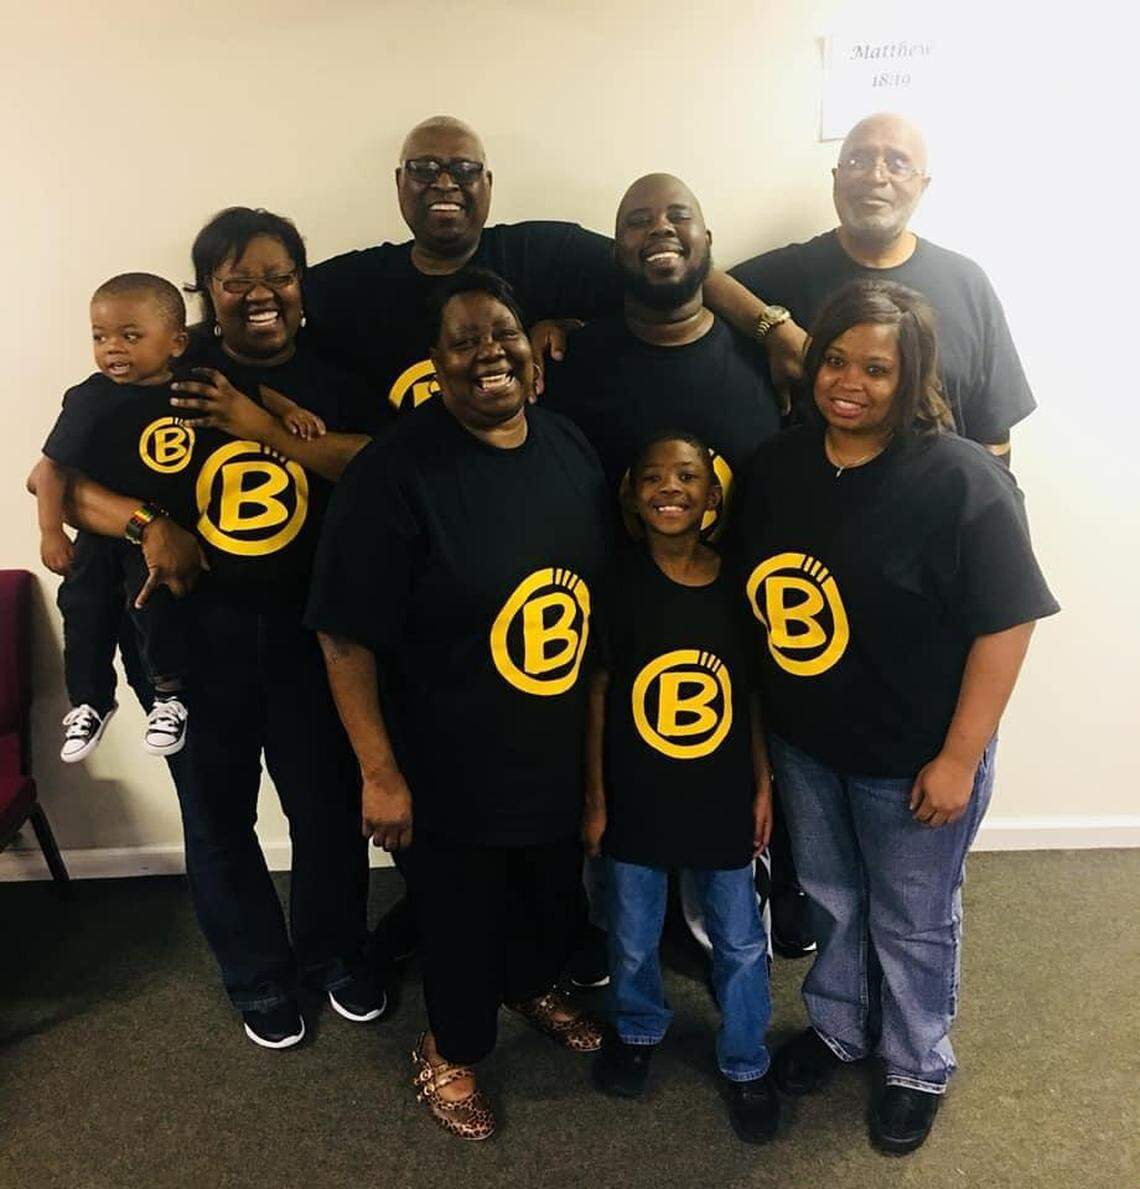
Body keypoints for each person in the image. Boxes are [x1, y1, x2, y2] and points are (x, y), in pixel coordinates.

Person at [37, 208, 383, 1050]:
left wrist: (267, 431)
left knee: (326, 810)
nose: (260, 294)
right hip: (190, 649)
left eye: (279, 275)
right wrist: (149, 522)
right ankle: (259, 976)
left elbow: (380, 468)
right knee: (217, 817)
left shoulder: (336, 376)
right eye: (236, 280)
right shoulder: (159, 368)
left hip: (313, 642)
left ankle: (336, 953)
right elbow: (56, 481)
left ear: (303, 284)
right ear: (205, 296)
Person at [731, 279, 1058, 1154]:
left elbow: (1006, 624)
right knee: (836, 899)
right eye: (836, 358)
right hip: (809, 744)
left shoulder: (963, 479)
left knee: (913, 915)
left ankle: (917, 1060)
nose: (851, 381)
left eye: (879, 368)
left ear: (912, 377)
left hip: (915, 755)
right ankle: (841, 1026)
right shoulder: (778, 467)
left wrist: (959, 758)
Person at [305, 270, 608, 1141]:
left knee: (549, 896)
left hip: (549, 745)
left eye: (502, 332)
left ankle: (528, 983)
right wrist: (379, 771)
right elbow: (343, 637)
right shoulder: (395, 472)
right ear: (434, 366)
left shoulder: (569, 448)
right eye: (463, 339)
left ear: (531, 351)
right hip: (445, 758)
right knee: (461, 918)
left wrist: (593, 773)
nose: (489, 352)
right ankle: (450, 1045)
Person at [544, 172, 782, 981]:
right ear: (616, 251)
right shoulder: (577, 360)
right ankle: (623, 943)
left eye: (679, 216)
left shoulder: (761, 356)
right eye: (638, 221)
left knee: (722, 807)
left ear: (710, 246)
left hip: (734, 625)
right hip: (620, 625)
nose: (660, 230)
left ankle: (720, 922)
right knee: (622, 815)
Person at [303, 116, 802, 419]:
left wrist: (774, 329)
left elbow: (663, 261)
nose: (445, 183)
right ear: (398, 183)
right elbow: (269, 298)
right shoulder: (355, 284)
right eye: (424, 169)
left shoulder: (540, 252)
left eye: (465, 170)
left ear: (489, 183)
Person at [584, 431, 779, 1144]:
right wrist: (596, 798)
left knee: (739, 939)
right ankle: (637, 1028)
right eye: (655, 477)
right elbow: (599, 693)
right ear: (635, 495)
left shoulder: (737, 583)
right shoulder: (617, 581)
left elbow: (752, 696)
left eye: (688, 476)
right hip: (637, 796)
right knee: (632, 936)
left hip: (722, 795)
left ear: (711, 496)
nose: (671, 487)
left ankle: (746, 1057)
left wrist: (762, 786)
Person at [730, 112, 1034, 461]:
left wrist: (992, 507)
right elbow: (699, 278)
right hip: (811, 508)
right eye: (859, 160)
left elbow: (994, 436)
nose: (876, 176)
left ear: (923, 184)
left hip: (939, 510)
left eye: (898, 163)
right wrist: (774, 327)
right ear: (836, 176)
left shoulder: (967, 285)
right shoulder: (782, 275)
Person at [37, 274, 194, 761]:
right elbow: (50, 471)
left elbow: (251, 400)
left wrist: (290, 414)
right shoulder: (89, 398)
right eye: (100, 336)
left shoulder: (196, 386)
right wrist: (49, 532)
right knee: (83, 612)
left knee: (154, 608)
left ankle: (169, 697)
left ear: (176, 343)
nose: (112, 349)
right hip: (98, 537)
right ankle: (90, 701)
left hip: (161, 539)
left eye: (130, 335)